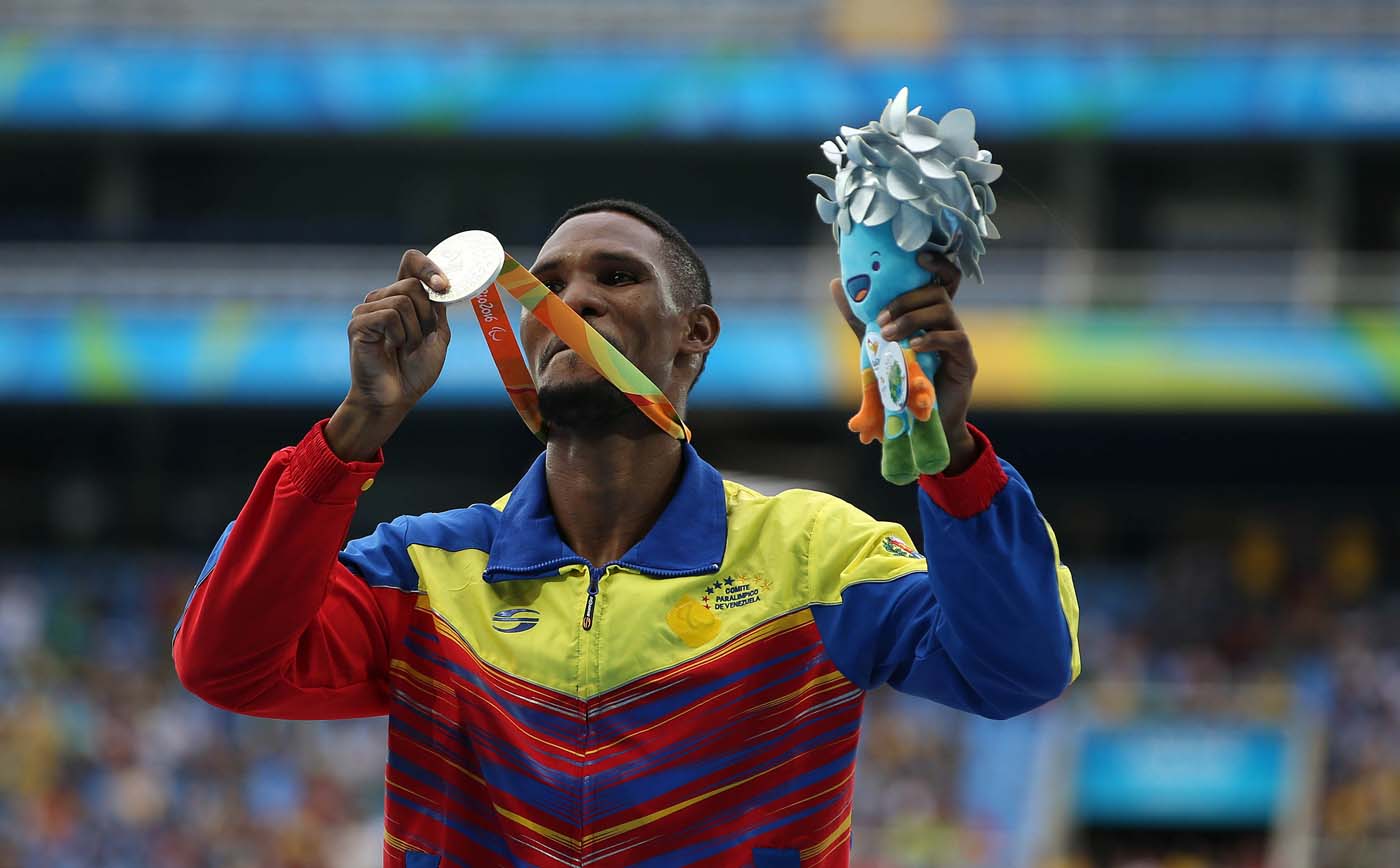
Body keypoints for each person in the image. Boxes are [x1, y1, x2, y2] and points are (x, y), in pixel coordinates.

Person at [173, 199, 1081, 868]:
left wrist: (949, 450)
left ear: (695, 340)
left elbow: (1016, 667)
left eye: (616, 277)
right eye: (552, 282)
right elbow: (226, 663)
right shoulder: (427, 569)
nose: (575, 299)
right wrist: (351, 434)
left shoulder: (811, 553)